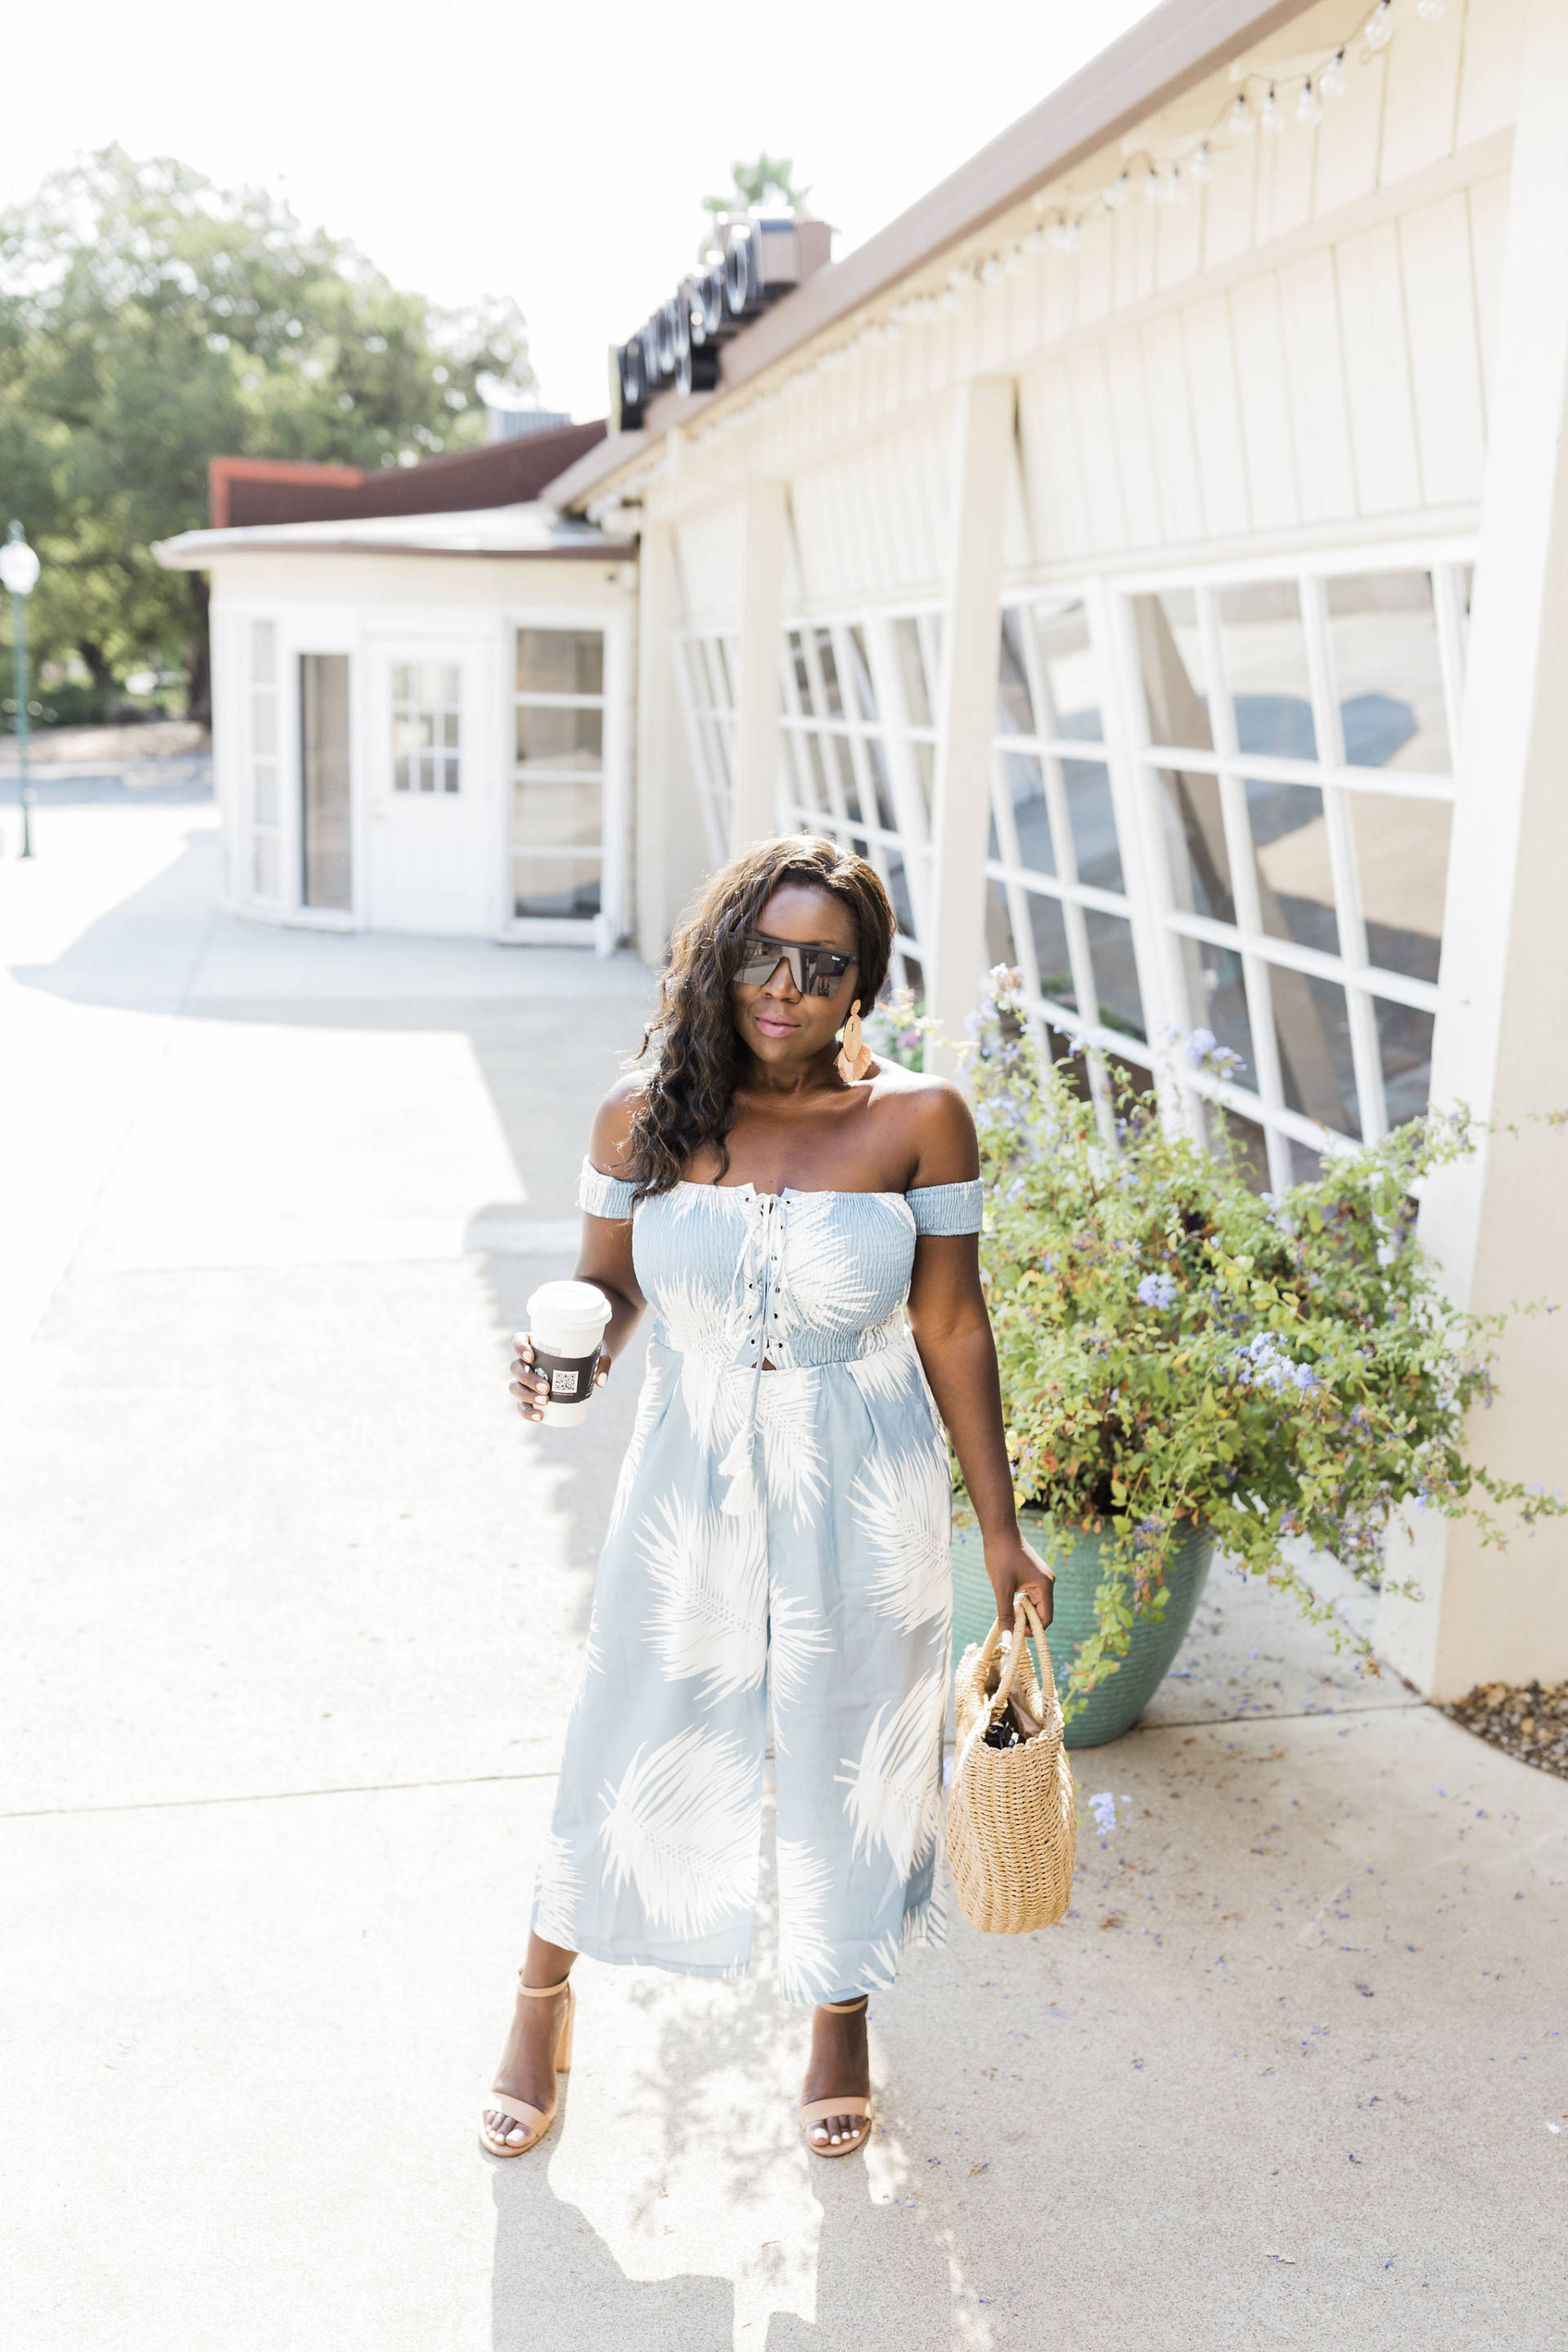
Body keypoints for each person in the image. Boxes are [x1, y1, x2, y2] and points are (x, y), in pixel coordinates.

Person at [481, 835, 1053, 2163]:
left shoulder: (919, 1121)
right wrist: (568, 1361)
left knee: (855, 1744)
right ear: (723, 958)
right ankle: (541, 1998)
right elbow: (611, 1289)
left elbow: (955, 1325)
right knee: (627, 1722)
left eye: (824, 964)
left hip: (867, 1470)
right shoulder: (645, 1111)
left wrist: (1000, 1527)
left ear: (864, 986)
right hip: (692, 1467)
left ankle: (838, 2014)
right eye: (764, 954)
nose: (786, 985)